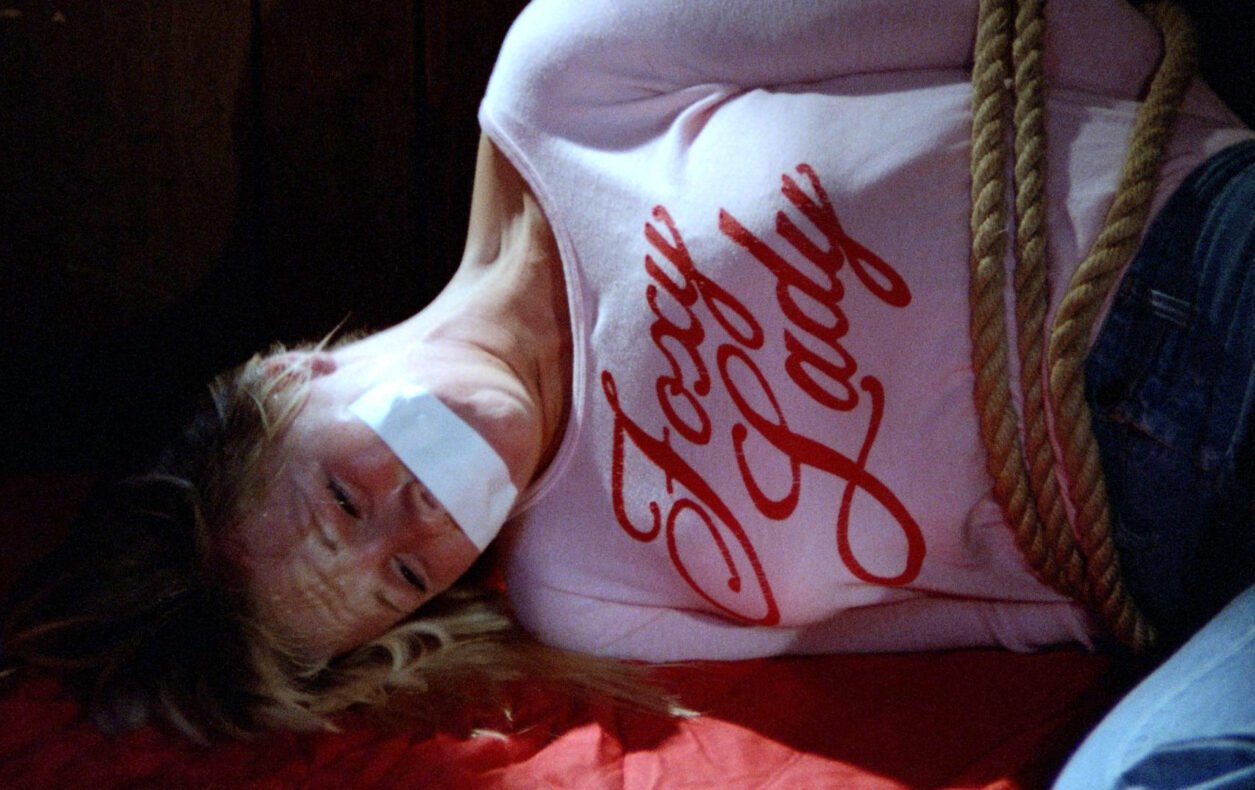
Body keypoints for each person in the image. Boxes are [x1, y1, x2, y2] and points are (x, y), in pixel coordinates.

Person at [2, 0, 1252, 776]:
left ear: (290, 373)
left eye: (342, 497)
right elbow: (1007, 612)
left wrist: (1210, 191)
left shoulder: (566, 76)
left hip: (1196, 278)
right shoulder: (588, 594)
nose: (419, 523)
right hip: (1178, 563)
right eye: (402, 577)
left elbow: (1040, 28)